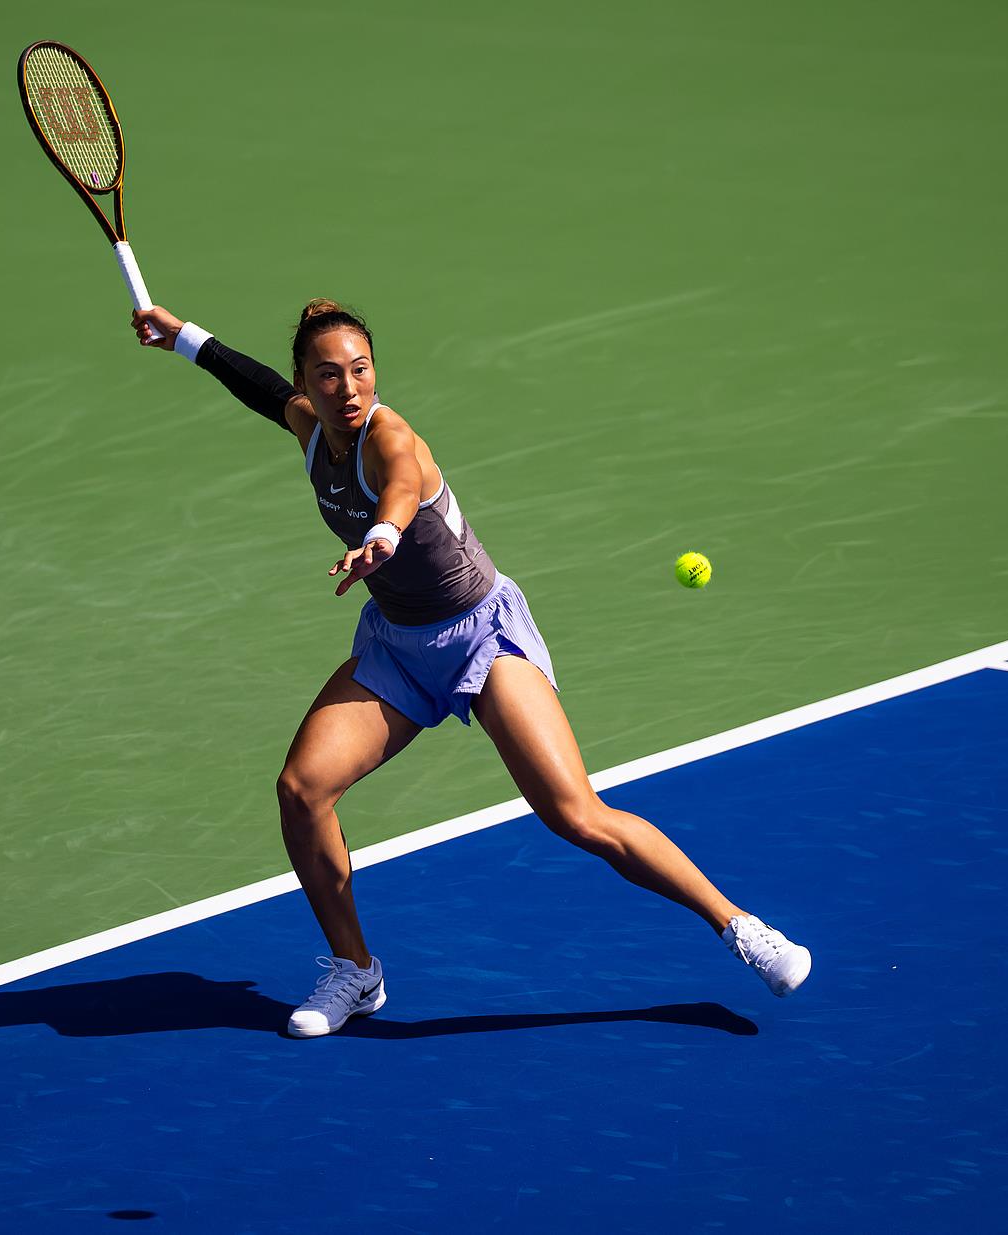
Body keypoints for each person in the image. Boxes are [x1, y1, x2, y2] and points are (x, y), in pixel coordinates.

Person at [131, 299, 811, 1038]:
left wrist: (384, 533)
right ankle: (355, 971)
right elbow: (259, 387)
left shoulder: (389, 435)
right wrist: (182, 337)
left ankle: (740, 927)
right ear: (307, 384)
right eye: (327, 375)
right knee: (302, 790)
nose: (348, 388)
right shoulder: (309, 428)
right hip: (398, 646)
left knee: (577, 815)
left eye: (360, 370)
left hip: (481, 636)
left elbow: (398, 484)